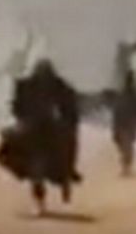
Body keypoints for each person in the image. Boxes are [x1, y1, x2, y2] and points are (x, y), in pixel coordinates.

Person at [9, 59, 82, 213]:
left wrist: (63, 120)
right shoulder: (26, 86)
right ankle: (39, 198)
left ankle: (67, 175)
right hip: (32, 129)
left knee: (68, 144)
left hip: (51, 128)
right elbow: (16, 107)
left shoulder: (59, 86)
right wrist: (23, 120)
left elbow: (70, 108)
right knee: (12, 147)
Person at [105, 69, 136, 176]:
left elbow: (118, 111)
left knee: (125, 146)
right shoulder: (131, 96)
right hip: (126, 124)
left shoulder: (125, 96)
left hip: (124, 124)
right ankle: (126, 167)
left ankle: (126, 167)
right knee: (127, 146)